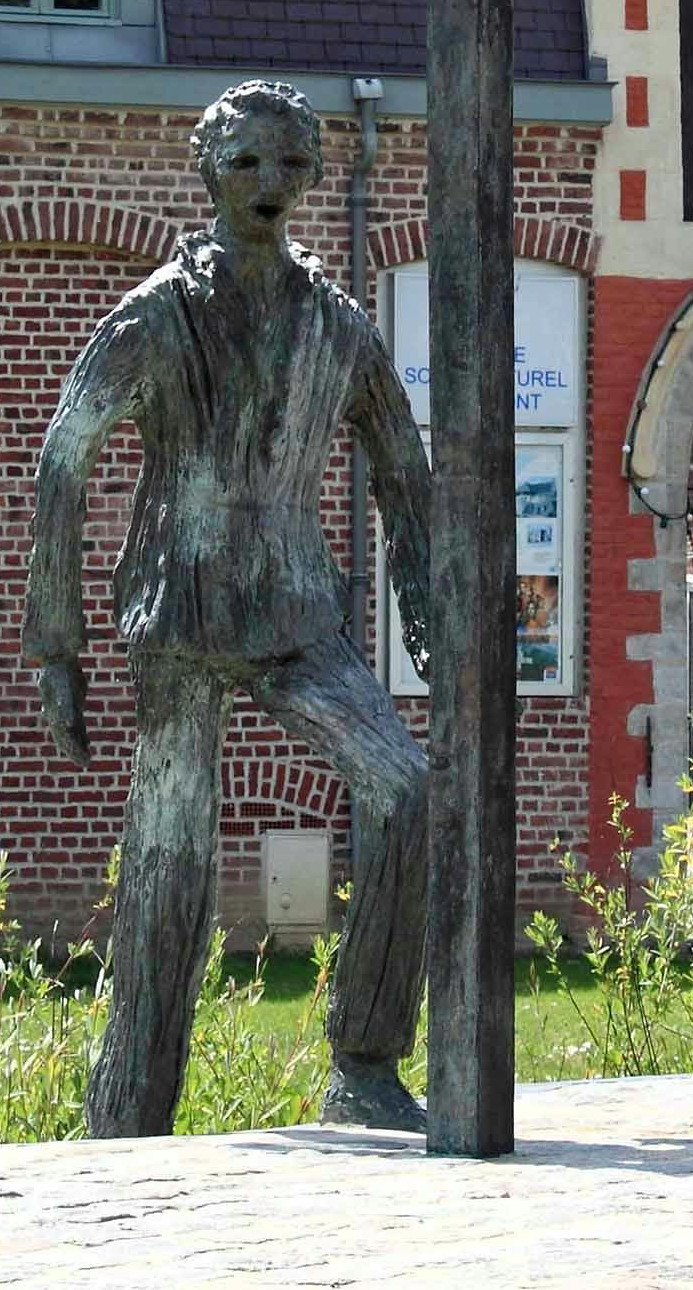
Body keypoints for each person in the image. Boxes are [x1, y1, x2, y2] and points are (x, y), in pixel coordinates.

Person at [24, 79, 434, 1137]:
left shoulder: (334, 325)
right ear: (209, 168)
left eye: (290, 165)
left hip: (295, 611)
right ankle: (129, 1110)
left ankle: (365, 1059)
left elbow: (401, 460)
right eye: (247, 161)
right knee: (171, 867)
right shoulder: (158, 312)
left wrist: (424, 601)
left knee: (402, 789)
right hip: (180, 614)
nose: (269, 184)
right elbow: (64, 460)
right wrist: (56, 650)